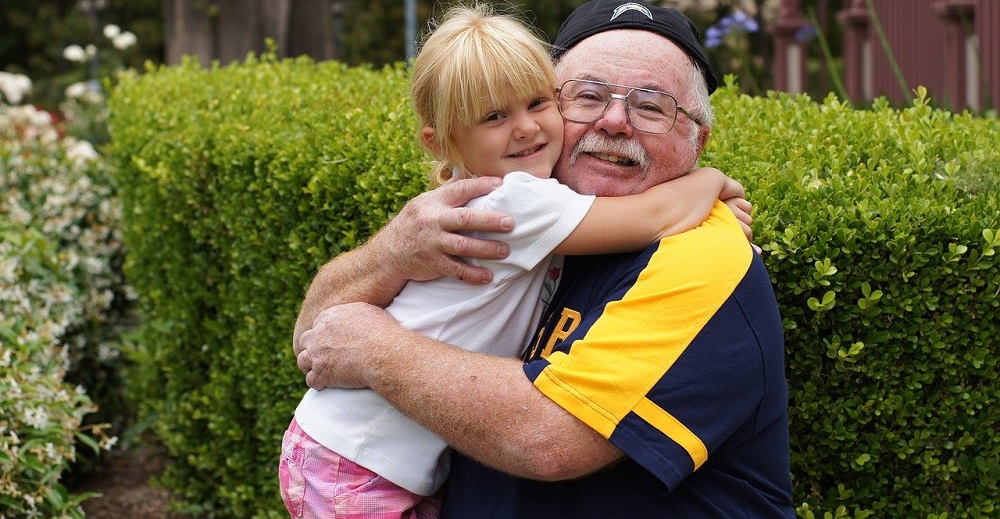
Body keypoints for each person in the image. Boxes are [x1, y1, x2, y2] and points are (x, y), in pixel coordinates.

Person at [295, 0, 794, 516]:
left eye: (652, 106)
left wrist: (372, 348)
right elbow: (314, 337)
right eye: (586, 97)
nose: (615, 121)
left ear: (697, 139)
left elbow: (550, 439)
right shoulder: (505, 213)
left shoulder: (699, 255)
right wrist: (387, 256)